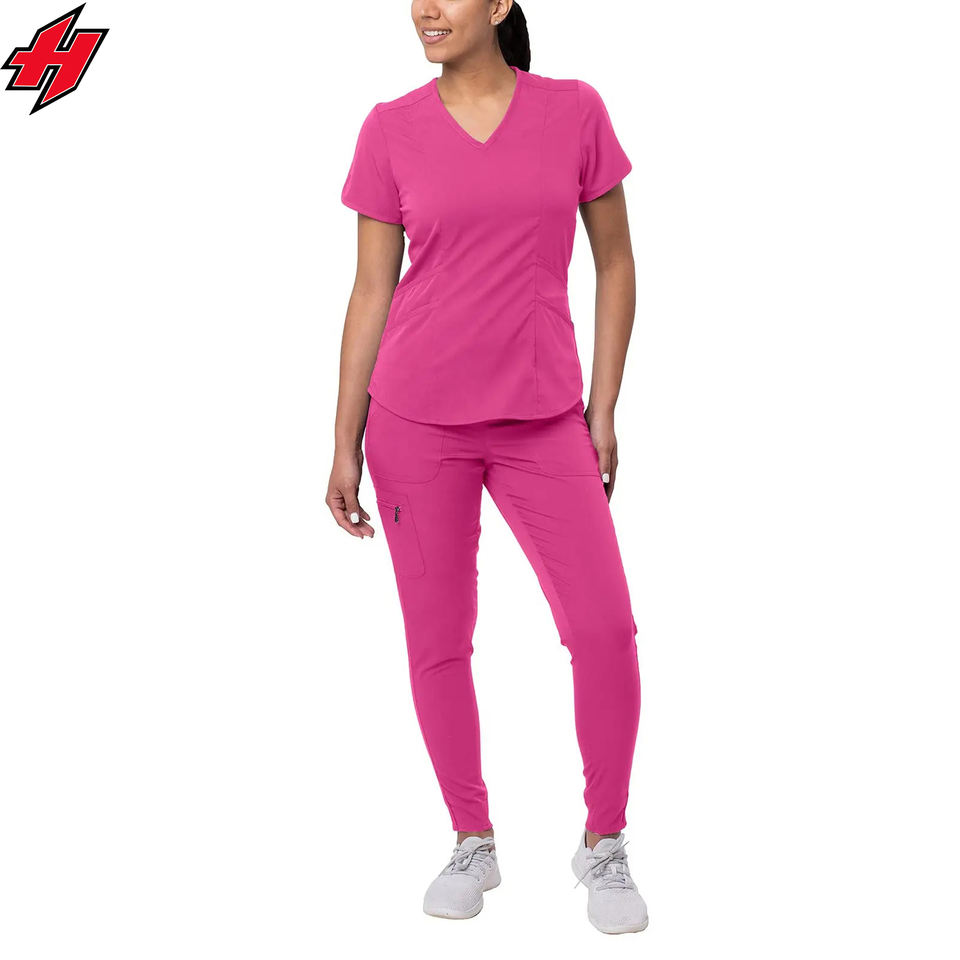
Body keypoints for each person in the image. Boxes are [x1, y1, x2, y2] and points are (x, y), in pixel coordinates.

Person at [328, 1, 647, 936]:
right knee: (439, 640)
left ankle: (605, 841)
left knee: (604, 631)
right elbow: (372, 289)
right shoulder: (389, 129)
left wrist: (603, 406)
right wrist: (344, 437)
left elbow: (616, 262)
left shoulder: (575, 110)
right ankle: (472, 838)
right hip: (413, 423)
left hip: (545, 419)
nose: (425, 8)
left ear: (501, 2)